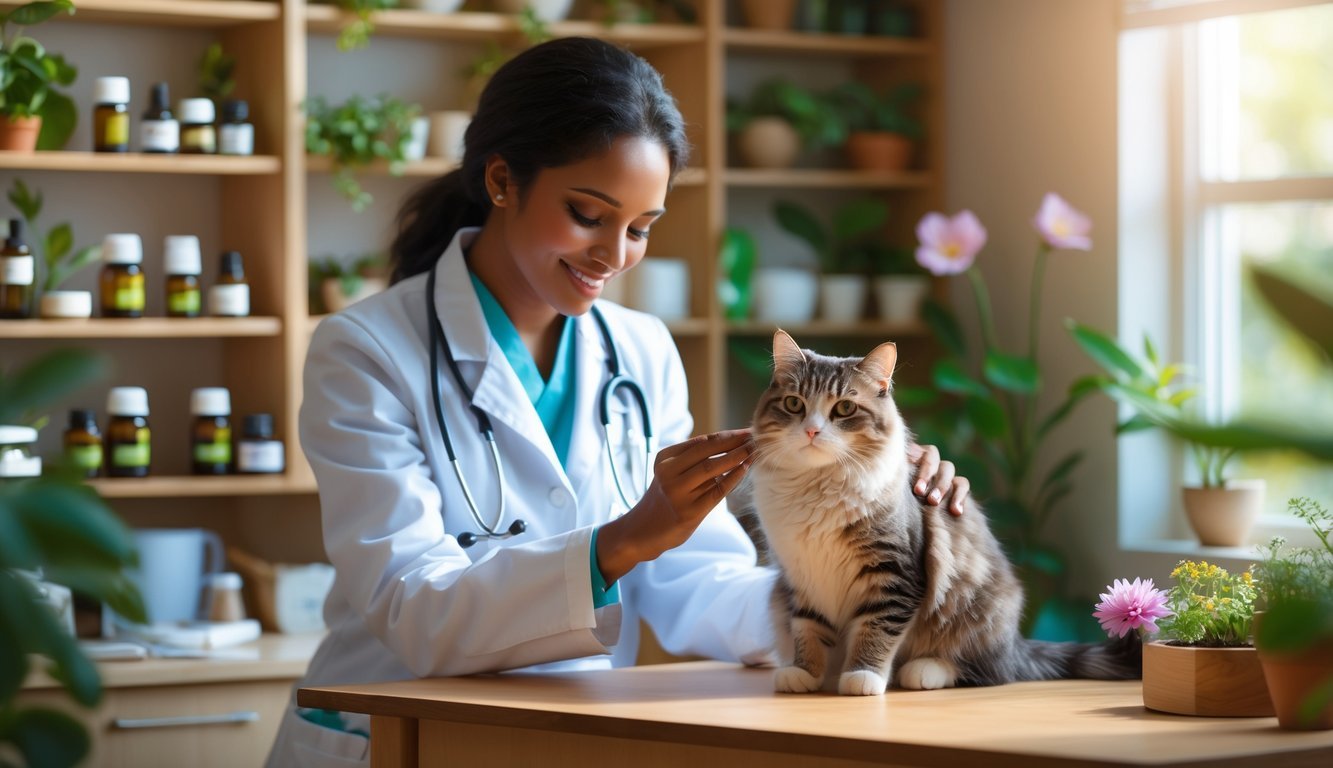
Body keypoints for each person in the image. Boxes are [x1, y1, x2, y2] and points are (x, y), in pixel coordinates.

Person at [266, 37, 970, 767]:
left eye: (640, 228)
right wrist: (621, 543)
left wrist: (878, 583)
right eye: (586, 213)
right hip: (392, 738)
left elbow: (696, 580)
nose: (614, 254)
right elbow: (413, 610)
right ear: (502, 180)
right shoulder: (365, 349)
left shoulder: (639, 348)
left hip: (564, 739)